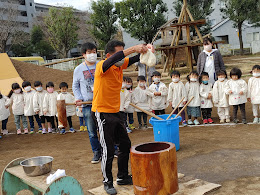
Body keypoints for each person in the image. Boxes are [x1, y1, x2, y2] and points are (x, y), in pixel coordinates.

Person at [91, 40, 152, 194]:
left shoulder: (119, 65)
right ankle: (107, 182)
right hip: (102, 112)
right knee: (108, 149)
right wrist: (132, 49)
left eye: (122, 53)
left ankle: (122, 176)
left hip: (116, 112)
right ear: (108, 55)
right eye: (119, 53)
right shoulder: (102, 66)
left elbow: (133, 59)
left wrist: (145, 50)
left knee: (125, 145)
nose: (121, 58)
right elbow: (118, 58)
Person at [72, 42, 101, 164]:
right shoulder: (79, 69)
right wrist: (78, 98)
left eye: (94, 52)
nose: (92, 54)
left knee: (106, 129)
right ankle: (96, 152)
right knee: (92, 130)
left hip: (102, 103)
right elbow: (75, 86)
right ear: (84, 54)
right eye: (89, 52)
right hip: (87, 104)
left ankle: (112, 149)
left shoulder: (101, 64)